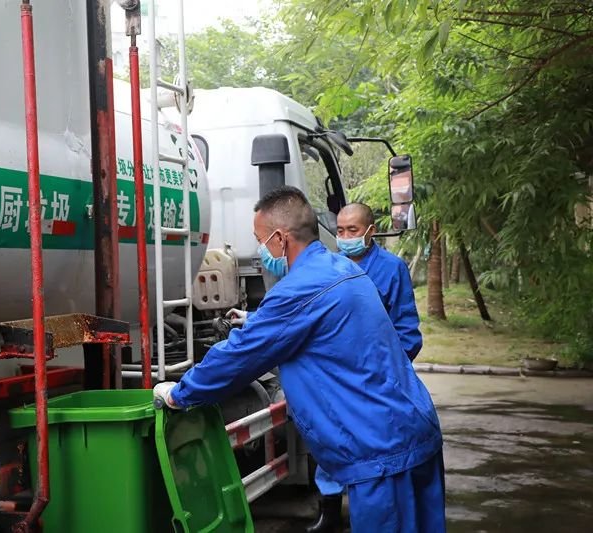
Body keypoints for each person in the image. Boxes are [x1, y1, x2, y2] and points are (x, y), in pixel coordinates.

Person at [154, 187, 445, 533]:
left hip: (382, 449)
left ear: (280, 239)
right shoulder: (342, 268)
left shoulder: (299, 289)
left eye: (260, 241)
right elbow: (317, 323)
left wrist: (179, 393)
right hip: (413, 429)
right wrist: (256, 320)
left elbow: (239, 356)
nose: (261, 251)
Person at [307, 202, 425, 531]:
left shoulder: (392, 269)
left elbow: (407, 331)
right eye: (340, 231)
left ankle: (380, 513)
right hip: (338, 377)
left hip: (378, 380)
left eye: (353, 230)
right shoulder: (330, 267)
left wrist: (387, 373)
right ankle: (329, 512)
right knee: (332, 439)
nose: (345, 237)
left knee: (377, 447)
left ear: (370, 231)